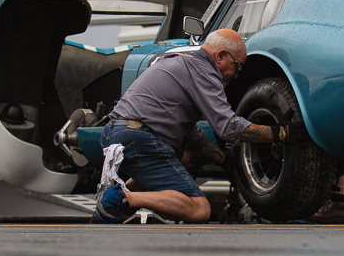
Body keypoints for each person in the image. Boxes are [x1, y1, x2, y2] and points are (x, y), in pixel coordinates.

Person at [93, 29, 297, 224]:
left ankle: (114, 201)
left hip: (115, 132)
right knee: (199, 208)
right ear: (221, 56)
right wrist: (281, 133)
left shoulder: (182, 62)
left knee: (187, 155)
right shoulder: (204, 72)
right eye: (238, 66)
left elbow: (191, 133)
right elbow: (229, 127)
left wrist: (221, 158)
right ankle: (122, 198)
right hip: (138, 139)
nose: (236, 75)